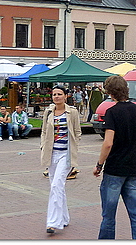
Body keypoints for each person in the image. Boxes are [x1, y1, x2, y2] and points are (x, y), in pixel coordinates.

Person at [93, 75, 136, 239]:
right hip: (133, 168)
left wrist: (99, 165)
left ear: (110, 93)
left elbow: (108, 143)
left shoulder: (111, 112)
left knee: (109, 216)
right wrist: (131, 149)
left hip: (114, 169)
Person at [41, 85, 81, 234]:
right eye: (54, 94)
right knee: (57, 186)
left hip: (66, 154)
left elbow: (77, 132)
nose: (56, 97)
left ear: (66, 96)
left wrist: (74, 146)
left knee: (56, 185)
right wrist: (42, 146)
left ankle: (53, 222)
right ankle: (64, 218)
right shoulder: (48, 112)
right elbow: (44, 131)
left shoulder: (72, 112)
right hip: (52, 154)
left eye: (59, 94)